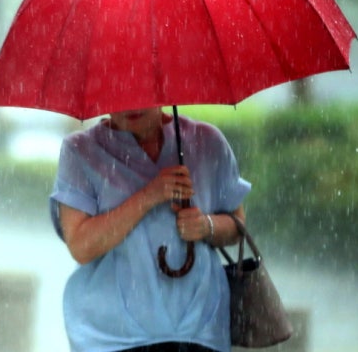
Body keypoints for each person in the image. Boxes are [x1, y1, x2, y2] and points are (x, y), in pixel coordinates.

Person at [50, 107, 251, 352]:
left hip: (198, 330)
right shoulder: (80, 150)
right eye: (119, 94)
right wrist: (149, 195)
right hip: (112, 336)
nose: (130, 106)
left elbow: (237, 224)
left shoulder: (206, 141)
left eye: (140, 95)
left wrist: (205, 226)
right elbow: (81, 246)